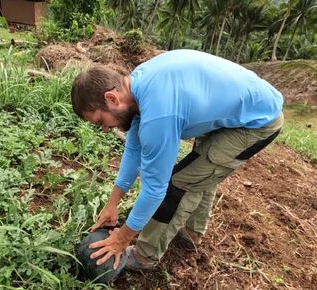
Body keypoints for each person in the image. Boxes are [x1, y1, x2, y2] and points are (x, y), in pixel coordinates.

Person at [70, 49, 283, 271]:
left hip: (258, 121)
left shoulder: (159, 114)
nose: (105, 129)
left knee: (180, 184)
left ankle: (146, 256)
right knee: (199, 169)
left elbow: (154, 191)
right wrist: (112, 203)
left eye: (100, 121)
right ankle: (192, 234)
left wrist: (121, 239)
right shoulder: (135, 85)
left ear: (112, 98)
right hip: (236, 109)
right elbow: (134, 149)